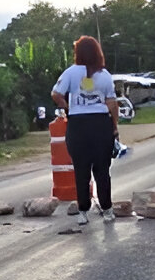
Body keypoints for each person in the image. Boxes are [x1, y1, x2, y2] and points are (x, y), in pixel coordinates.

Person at [51, 35, 119, 225]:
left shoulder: (70, 73)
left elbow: (55, 94)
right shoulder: (104, 75)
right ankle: (107, 210)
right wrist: (114, 127)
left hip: (78, 125)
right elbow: (112, 104)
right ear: (98, 52)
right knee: (102, 170)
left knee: (81, 170)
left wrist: (68, 108)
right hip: (100, 125)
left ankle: (83, 211)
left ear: (78, 53)